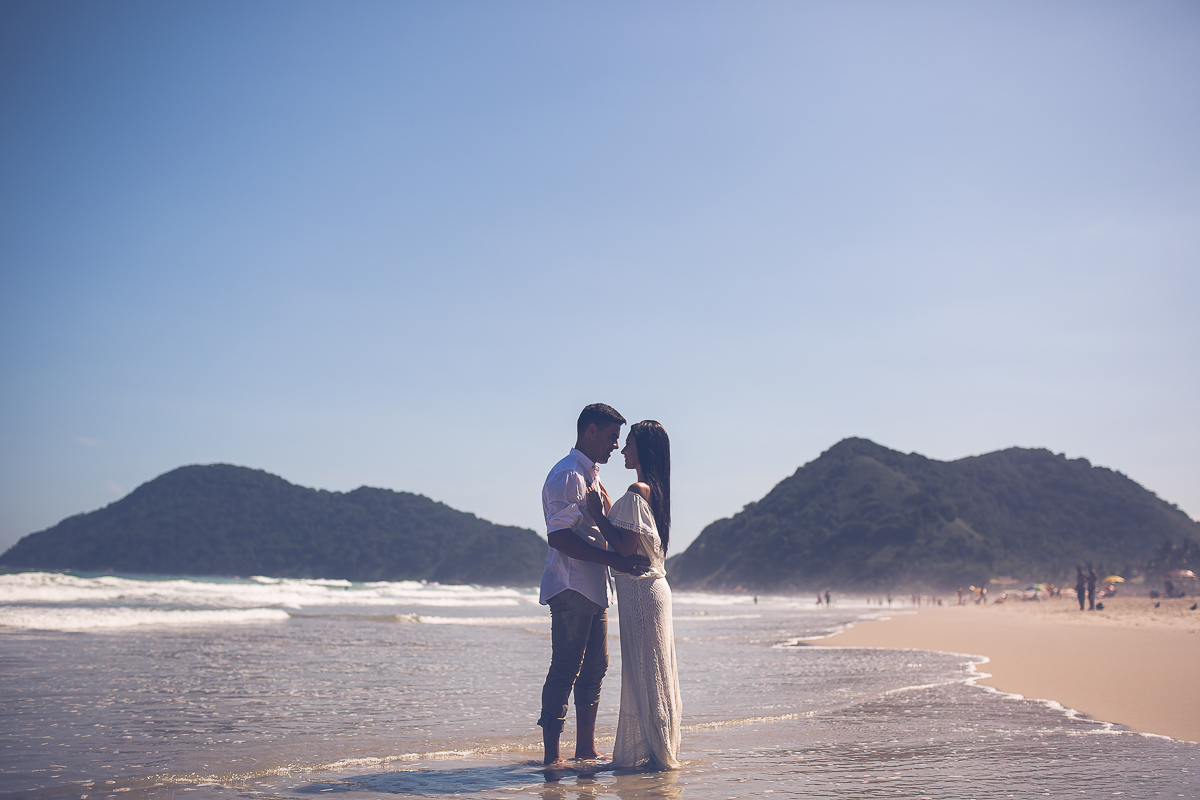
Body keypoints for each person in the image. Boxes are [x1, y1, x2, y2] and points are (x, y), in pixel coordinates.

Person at [537, 404, 651, 766]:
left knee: (595, 668)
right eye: (611, 437)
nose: (616, 445)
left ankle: (585, 749)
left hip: (595, 587)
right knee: (565, 668)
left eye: (618, 439)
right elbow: (558, 537)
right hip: (571, 587)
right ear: (590, 431)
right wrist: (616, 561)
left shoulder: (592, 475)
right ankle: (551, 757)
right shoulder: (569, 474)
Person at [586, 420, 682, 770]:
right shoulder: (653, 491)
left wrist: (597, 515)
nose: (623, 450)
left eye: (628, 443)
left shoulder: (638, 489)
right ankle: (659, 751)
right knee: (654, 672)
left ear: (644, 448)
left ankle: (657, 757)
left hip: (641, 593)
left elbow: (625, 549)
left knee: (646, 673)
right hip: (649, 591)